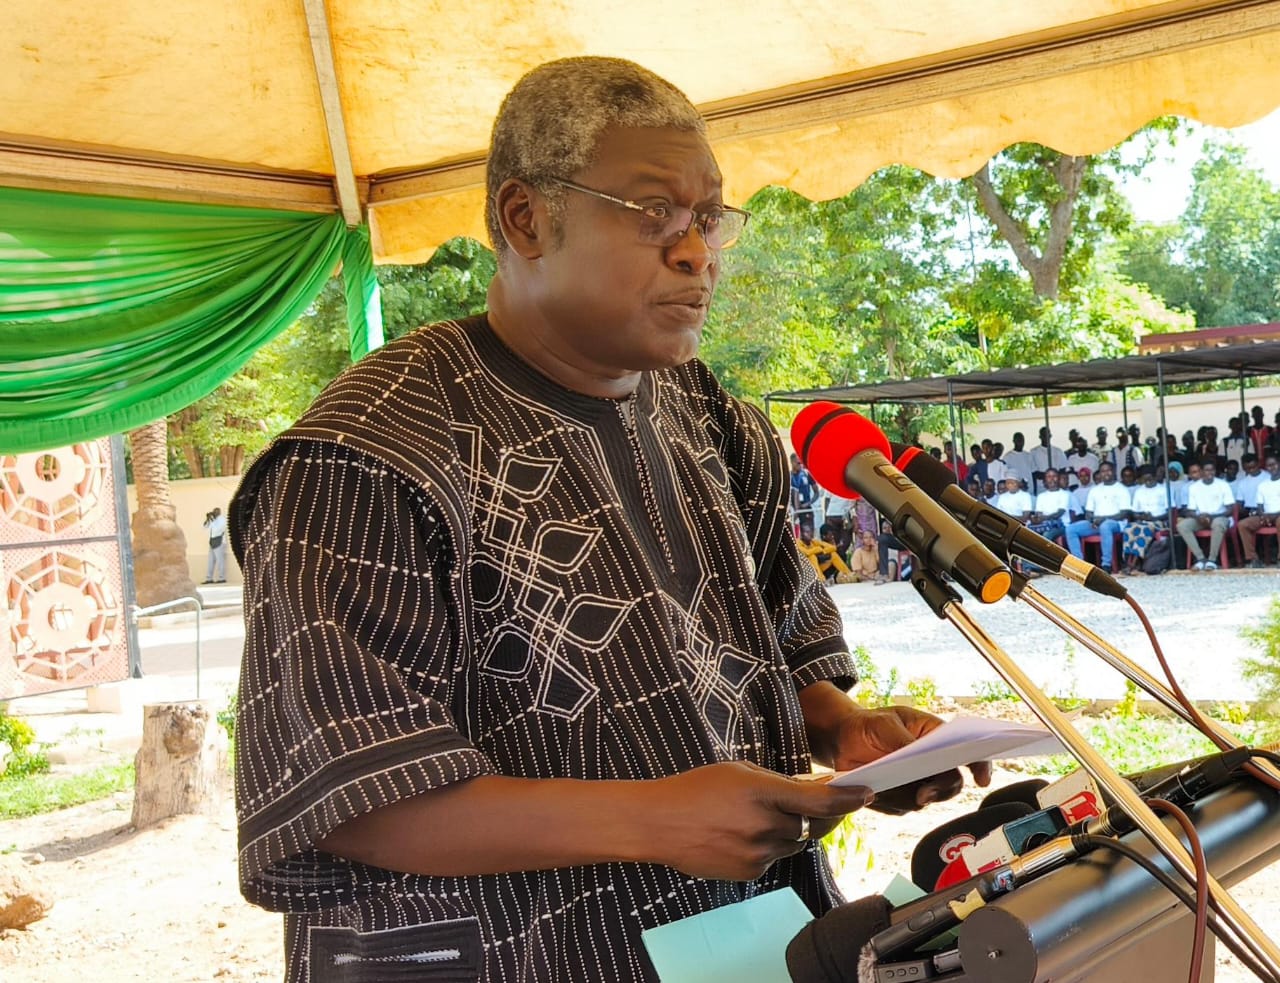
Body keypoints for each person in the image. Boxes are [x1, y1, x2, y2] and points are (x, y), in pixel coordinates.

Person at [226, 57, 989, 983]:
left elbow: (778, 646)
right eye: (652, 212)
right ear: (526, 219)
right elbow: (345, 790)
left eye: (709, 218)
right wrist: (651, 817)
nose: (696, 251)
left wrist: (839, 729)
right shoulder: (369, 458)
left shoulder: (704, 412)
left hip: (747, 948)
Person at [1064, 462, 1131, 572]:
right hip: (1096, 523)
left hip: (1116, 523)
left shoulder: (1121, 489)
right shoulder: (1095, 490)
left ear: (1113, 471)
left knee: (1105, 526)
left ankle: (1106, 565)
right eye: (1103, 471)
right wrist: (1093, 520)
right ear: (1100, 473)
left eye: (1108, 470)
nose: (1106, 473)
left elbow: (1124, 513)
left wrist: (1103, 519)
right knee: (1071, 529)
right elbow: (1088, 512)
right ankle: (1079, 564)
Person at [1176, 460, 1236, 571]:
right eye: (1207, 470)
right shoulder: (1194, 487)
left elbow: (1230, 509)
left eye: (1212, 470)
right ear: (1202, 472)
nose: (1210, 472)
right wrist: (1198, 517)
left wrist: (1212, 517)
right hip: (1201, 519)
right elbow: (1190, 510)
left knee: (1218, 524)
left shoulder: (1223, 485)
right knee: (1182, 526)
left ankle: (1212, 560)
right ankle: (1200, 559)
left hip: (1220, 517)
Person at [1121, 466, 1169, 575]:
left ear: (1155, 477)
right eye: (1145, 479)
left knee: (1143, 530)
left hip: (1159, 521)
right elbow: (1135, 512)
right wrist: (1142, 516)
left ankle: (1134, 563)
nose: (1148, 481)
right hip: (1142, 521)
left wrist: (1153, 517)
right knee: (1128, 528)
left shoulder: (1163, 490)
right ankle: (1128, 559)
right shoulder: (1139, 491)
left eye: (1150, 478)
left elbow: (1169, 512)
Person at [1238, 454, 1280, 567]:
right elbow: (1260, 506)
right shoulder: (1263, 485)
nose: (1272, 468)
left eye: (1274, 465)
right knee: (1243, 524)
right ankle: (1253, 559)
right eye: (1268, 466)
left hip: (1278, 516)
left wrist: (1273, 515)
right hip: (1266, 515)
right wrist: (1263, 516)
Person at [796, 518, 857, 584]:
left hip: (817, 569)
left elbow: (832, 548)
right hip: (805, 571)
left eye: (811, 531)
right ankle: (821, 580)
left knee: (833, 554)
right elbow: (807, 553)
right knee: (812, 557)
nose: (810, 534)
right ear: (801, 534)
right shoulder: (797, 543)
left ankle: (848, 574)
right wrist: (818, 549)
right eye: (807, 532)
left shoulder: (814, 541)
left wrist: (823, 551)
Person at [1029, 427, 1068, 496]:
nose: (1046, 437)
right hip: (1041, 488)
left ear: (1050, 435)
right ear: (1040, 437)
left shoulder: (1058, 451)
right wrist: (1049, 477)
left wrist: (1055, 480)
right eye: (1043, 435)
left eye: (1047, 434)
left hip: (1057, 487)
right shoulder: (1033, 452)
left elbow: (1063, 470)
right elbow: (1034, 473)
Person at [202, 506, 227, 584]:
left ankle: (221, 578)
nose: (215, 512)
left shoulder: (222, 519)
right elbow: (204, 527)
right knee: (210, 561)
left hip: (219, 541)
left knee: (220, 561)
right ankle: (209, 578)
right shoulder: (212, 519)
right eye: (214, 511)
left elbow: (218, 530)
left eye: (216, 511)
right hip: (212, 542)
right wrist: (208, 519)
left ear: (219, 512)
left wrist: (213, 520)